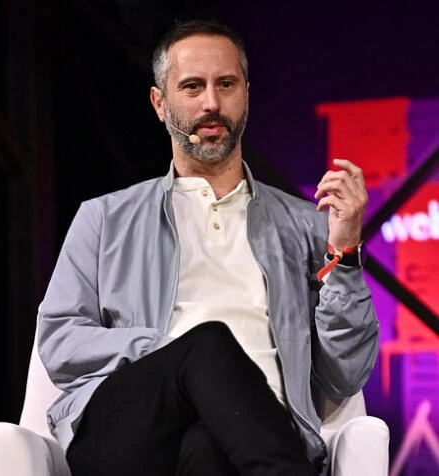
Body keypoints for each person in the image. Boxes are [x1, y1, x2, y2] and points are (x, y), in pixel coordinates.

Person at [37, 19, 379, 476]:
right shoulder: (104, 218)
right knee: (208, 343)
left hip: (254, 433)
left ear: (246, 95)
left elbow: (345, 374)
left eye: (226, 84)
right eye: (192, 86)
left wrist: (346, 253)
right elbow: (60, 340)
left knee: (207, 447)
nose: (212, 103)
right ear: (160, 103)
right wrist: (172, 348)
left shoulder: (307, 225)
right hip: (129, 431)